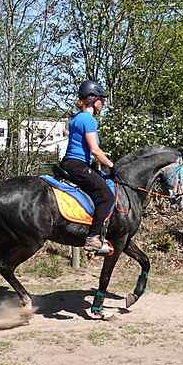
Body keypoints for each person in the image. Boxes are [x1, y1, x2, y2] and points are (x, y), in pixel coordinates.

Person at [60, 79, 116, 254]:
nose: (103, 103)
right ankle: (93, 238)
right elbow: (94, 149)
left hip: (69, 163)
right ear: (93, 99)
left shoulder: (76, 118)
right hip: (78, 165)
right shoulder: (89, 120)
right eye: (102, 99)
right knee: (106, 196)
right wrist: (112, 165)